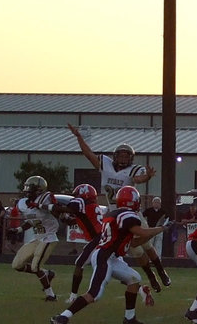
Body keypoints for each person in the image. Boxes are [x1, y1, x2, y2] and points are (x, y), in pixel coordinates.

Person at [67, 123, 170, 291]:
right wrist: (79, 138)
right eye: (120, 155)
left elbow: (139, 179)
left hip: (132, 213)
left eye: (125, 156)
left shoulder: (132, 170)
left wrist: (148, 177)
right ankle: (151, 276)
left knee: (147, 245)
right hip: (115, 214)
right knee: (136, 251)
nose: (123, 159)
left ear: (131, 158)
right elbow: (88, 154)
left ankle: (161, 270)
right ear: (115, 156)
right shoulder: (105, 165)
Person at [50, 186, 166, 324]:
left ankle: (129, 318)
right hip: (104, 256)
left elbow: (134, 242)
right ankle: (63, 317)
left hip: (112, 257)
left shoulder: (115, 214)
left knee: (134, 279)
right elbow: (140, 232)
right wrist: (161, 229)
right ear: (133, 201)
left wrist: (154, 232)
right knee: (94, 294)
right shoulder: (126, 215)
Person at [11, 176, 62, 301]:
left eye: (30, 188)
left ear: (38, 190)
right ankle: (47, 274)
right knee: (17, 264)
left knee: (35, 267)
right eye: (27, 188)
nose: (27, 191)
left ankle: (50, 295)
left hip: (49, 237)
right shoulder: (23, 203)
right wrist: (18, 230)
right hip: (37, 238)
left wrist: (39, 205)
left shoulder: (46, 198)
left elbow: (57, 211)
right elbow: (32, 221)